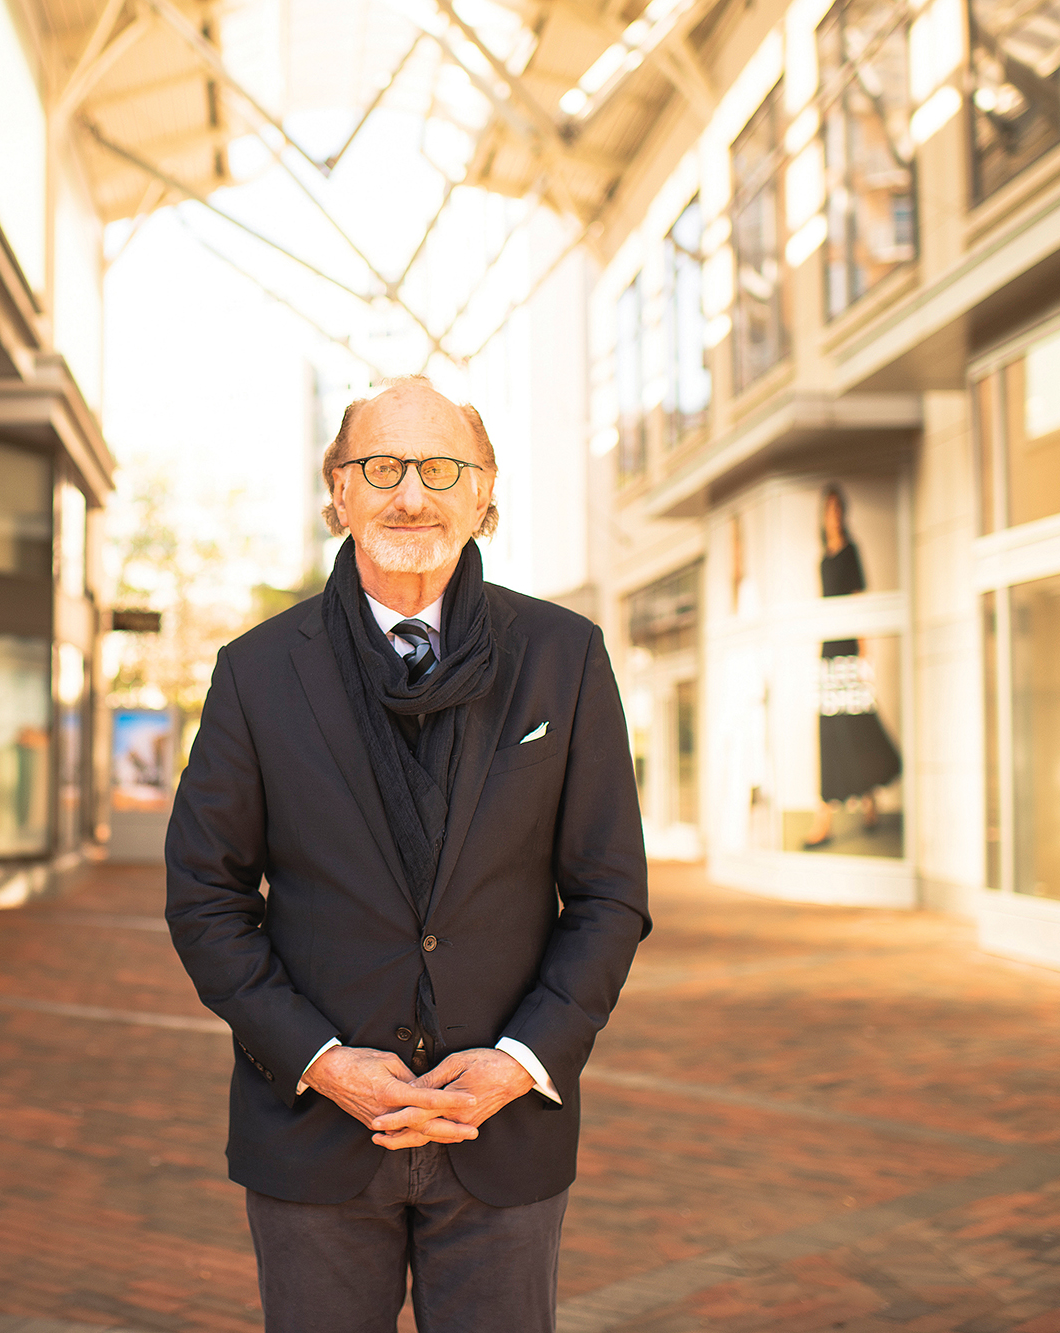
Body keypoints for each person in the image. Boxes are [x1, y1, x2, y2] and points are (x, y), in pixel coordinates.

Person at [166, 377, 650, 1331]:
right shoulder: (256, 672)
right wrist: (319, 1060)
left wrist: (520, 1059)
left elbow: (609, 895)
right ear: (338, 490)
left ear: (484, 491)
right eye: (382, 467)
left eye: (441, 469)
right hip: (314, 1133)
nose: (412, 495)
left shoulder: (566, 657)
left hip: (502, 1133)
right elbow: (205, 897)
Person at [801, 483, 901, 848]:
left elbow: (859, 603)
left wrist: (863, 656)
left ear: (843, 514)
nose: (833, 517)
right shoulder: (822, 560)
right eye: (827, 511)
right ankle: (837, 816)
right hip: (828, 651)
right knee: (832, 731)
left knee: (857, 724)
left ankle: (863, 805)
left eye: (837, 510)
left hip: (847, 651)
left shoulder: (851, 553)